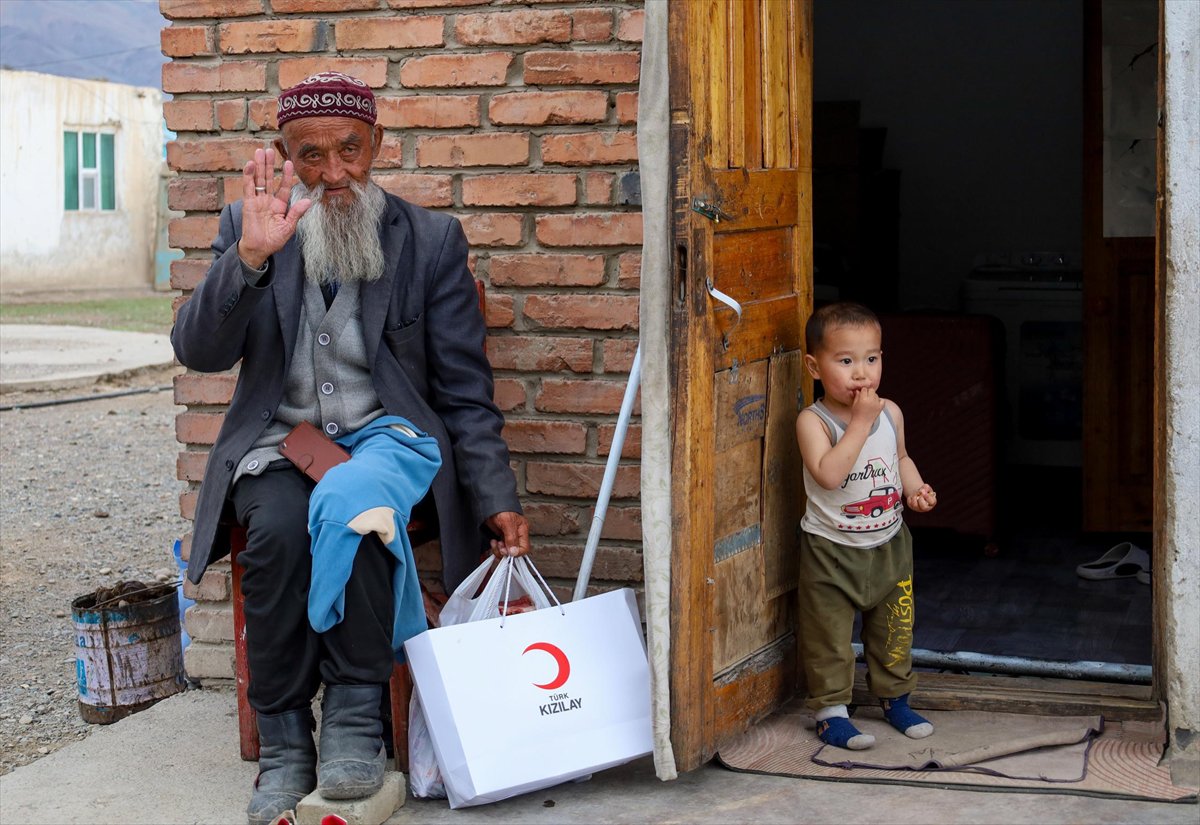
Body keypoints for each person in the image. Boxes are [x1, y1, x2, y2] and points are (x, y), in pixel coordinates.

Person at [171, 71, 530, 824]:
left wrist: (496, 497)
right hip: (280, 444)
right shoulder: (249, 224)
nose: (333, 173)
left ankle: (354, 720)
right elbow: (198, 351)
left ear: (377, 145)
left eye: (349, 150)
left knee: (362, 510)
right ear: (285, 155)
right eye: (311, 155)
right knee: (275, 532)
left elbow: (465, 390)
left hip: (387, 442)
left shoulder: (429, 240)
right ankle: (283, 740)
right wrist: (249, 259)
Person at [794, 302, 937, 751]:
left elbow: (900, 458)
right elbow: (829, 474)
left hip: (889, 543)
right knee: (829, 636)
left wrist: (914, 489)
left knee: (894, 628)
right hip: (831, 550)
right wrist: (859, 422)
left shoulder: (890, 412)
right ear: (814, 367)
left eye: (871, 358)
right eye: (845, 361)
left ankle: (895, 699)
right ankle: (831, 713)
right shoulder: (813, 421)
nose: (861, 373)